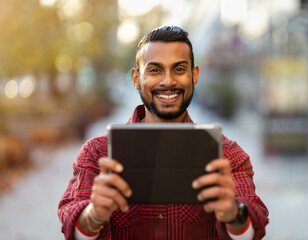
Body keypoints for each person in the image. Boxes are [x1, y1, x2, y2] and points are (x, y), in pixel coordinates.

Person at [58, 26, 269, 240]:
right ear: (136, 78)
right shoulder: (97, 153)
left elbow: (254, 228)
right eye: (155, 70)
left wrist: (234, 215)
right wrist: (94, 215)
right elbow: (71, 224)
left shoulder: (227, 155)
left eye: (178, 69)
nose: (168, 81)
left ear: (194, 75)